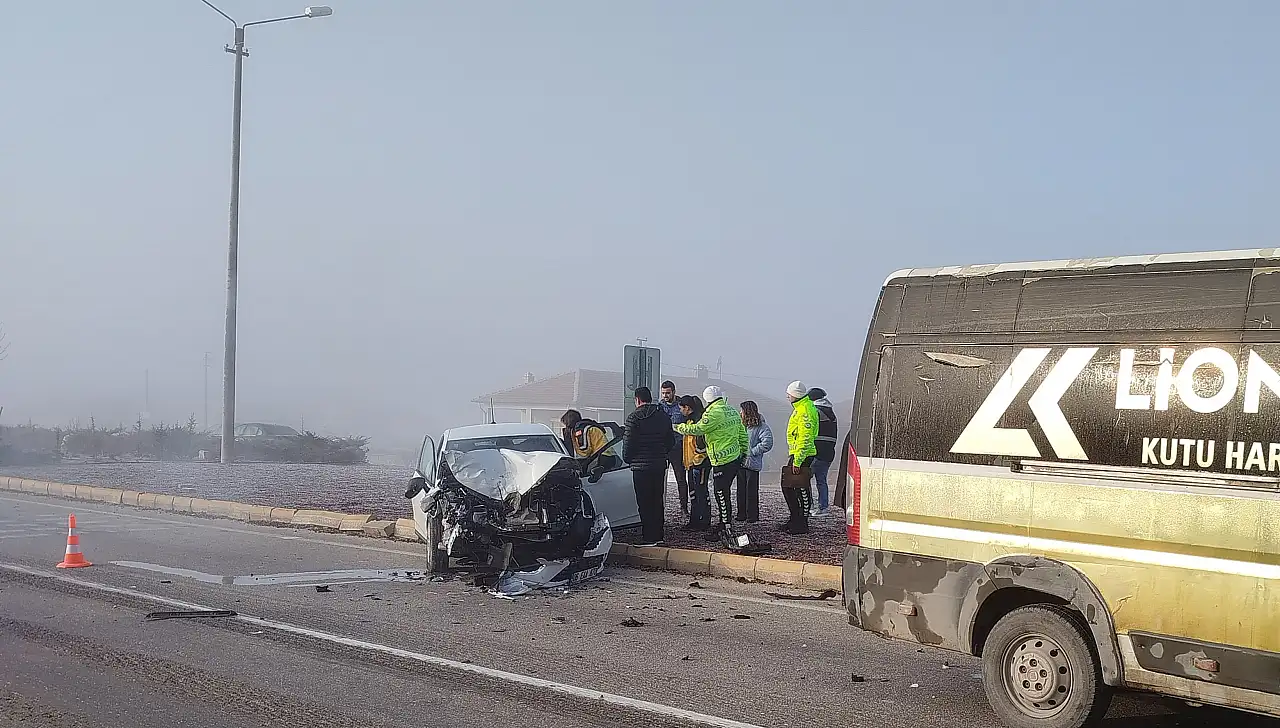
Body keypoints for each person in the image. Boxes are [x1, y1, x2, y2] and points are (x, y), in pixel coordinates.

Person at [676, 386, 749, 543]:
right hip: (734, 458)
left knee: (721, 494)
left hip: (721, 459)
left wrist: (679, 427)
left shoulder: (713, 412)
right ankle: (724, 524)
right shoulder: (731, 410)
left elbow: (699, 428)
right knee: (723, 493)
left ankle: (725, 527)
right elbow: (742, 434)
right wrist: (743, 453)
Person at [622, 387, 676, 546]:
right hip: (659, 464)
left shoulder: (633, 418)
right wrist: (662, 453)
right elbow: (670, 441)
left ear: (637, 400)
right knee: (657, 500)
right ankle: (659, 534)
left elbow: (628, 444)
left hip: (640, 467)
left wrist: (629, 460)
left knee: (644, 502)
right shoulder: (663, 416)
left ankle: (648, 536)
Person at [782, 381, 818, 535]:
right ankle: (795, 519)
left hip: (803, 455)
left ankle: (801, 523)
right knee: (789, 487)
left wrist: (797, 460)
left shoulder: (805, 410)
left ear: (795, 395)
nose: (787, 396)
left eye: (789, 394)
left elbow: (805, 438)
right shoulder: (801, 408)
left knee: (799, 488)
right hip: (798, 454)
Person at [735, 400, 773, 523]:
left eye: (742, 411)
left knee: (751, 491)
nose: (740, 413)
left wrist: (752, 452)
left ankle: (752, 515)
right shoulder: (741, 426)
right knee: (740, 490)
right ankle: (741, 514)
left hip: (752, 463)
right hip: (740, 462)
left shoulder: (761, 427)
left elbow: (767, 443)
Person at [677, 395, 711, 529]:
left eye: (681, 408)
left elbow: (702, 444)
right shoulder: (688, 421)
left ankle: (704, 521)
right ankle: (694, 520)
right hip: (691, 464)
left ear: (687, 408)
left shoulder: (698, 421)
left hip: (700, 464)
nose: (680, 411)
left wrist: (698, 459)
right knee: (694, 493)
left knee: (701, 492)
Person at [657, 381, 689, 513]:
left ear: (674, 392)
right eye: (663, 393)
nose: (665, 396)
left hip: (677, 447)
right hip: (662, 448)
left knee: (680, 478)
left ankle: (684, 507)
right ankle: (659, 507)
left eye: (668, 393)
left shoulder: (682, 406)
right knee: (659, 479)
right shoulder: (659, 406)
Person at [808, 387, 838, 515]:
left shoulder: (815, 411)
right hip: (829, 452)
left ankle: (808, 507)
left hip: (816, 451)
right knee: (821, 480)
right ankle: (823, 507)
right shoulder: (831, 412)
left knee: (804, 479)